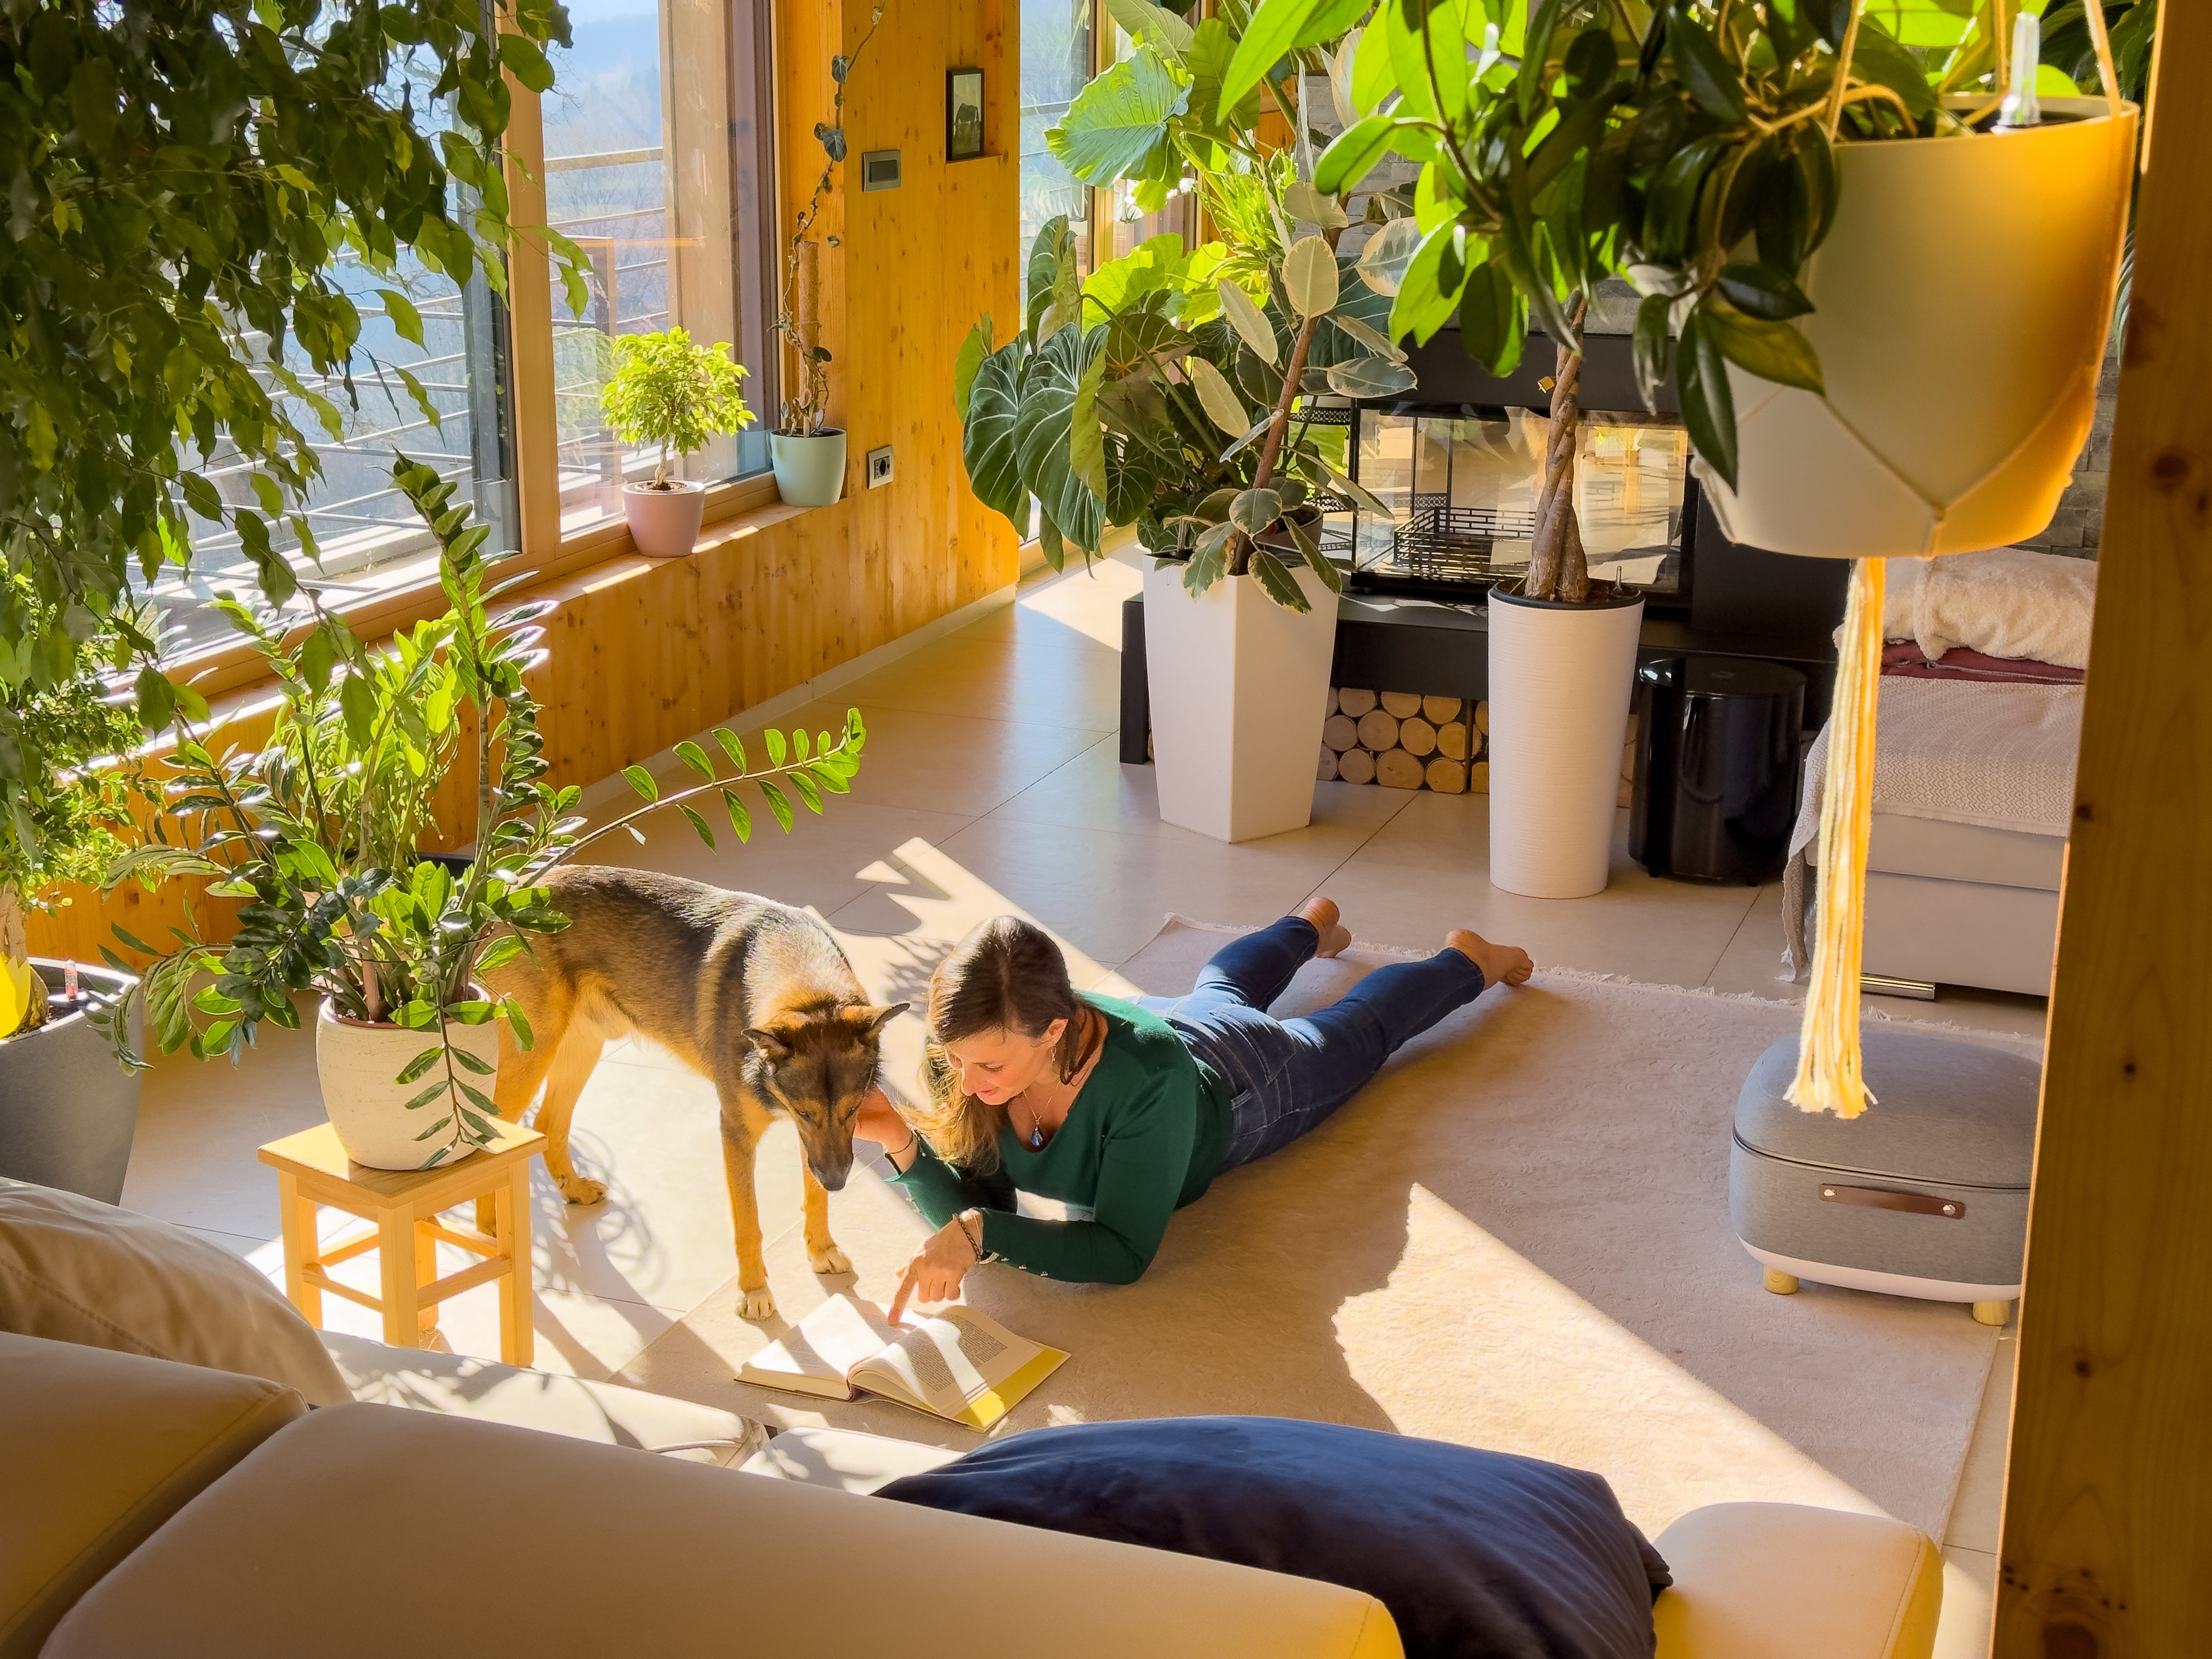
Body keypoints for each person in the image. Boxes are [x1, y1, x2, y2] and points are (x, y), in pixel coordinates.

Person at [854, 898, 1533, 1318]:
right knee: (1219, 986)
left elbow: (1121, 1252)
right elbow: (982, 1206)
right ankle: (1309, 922)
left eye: (989, 1066)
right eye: (956, 1061)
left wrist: (978, 1236)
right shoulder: (972, 1050)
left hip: (1239, 1082)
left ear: (1055, 1030)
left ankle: (1466, 959)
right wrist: (899, 1140)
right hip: (1160, 1033)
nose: (965, 1084)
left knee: (1358, 1031)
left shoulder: (1147, 1080)